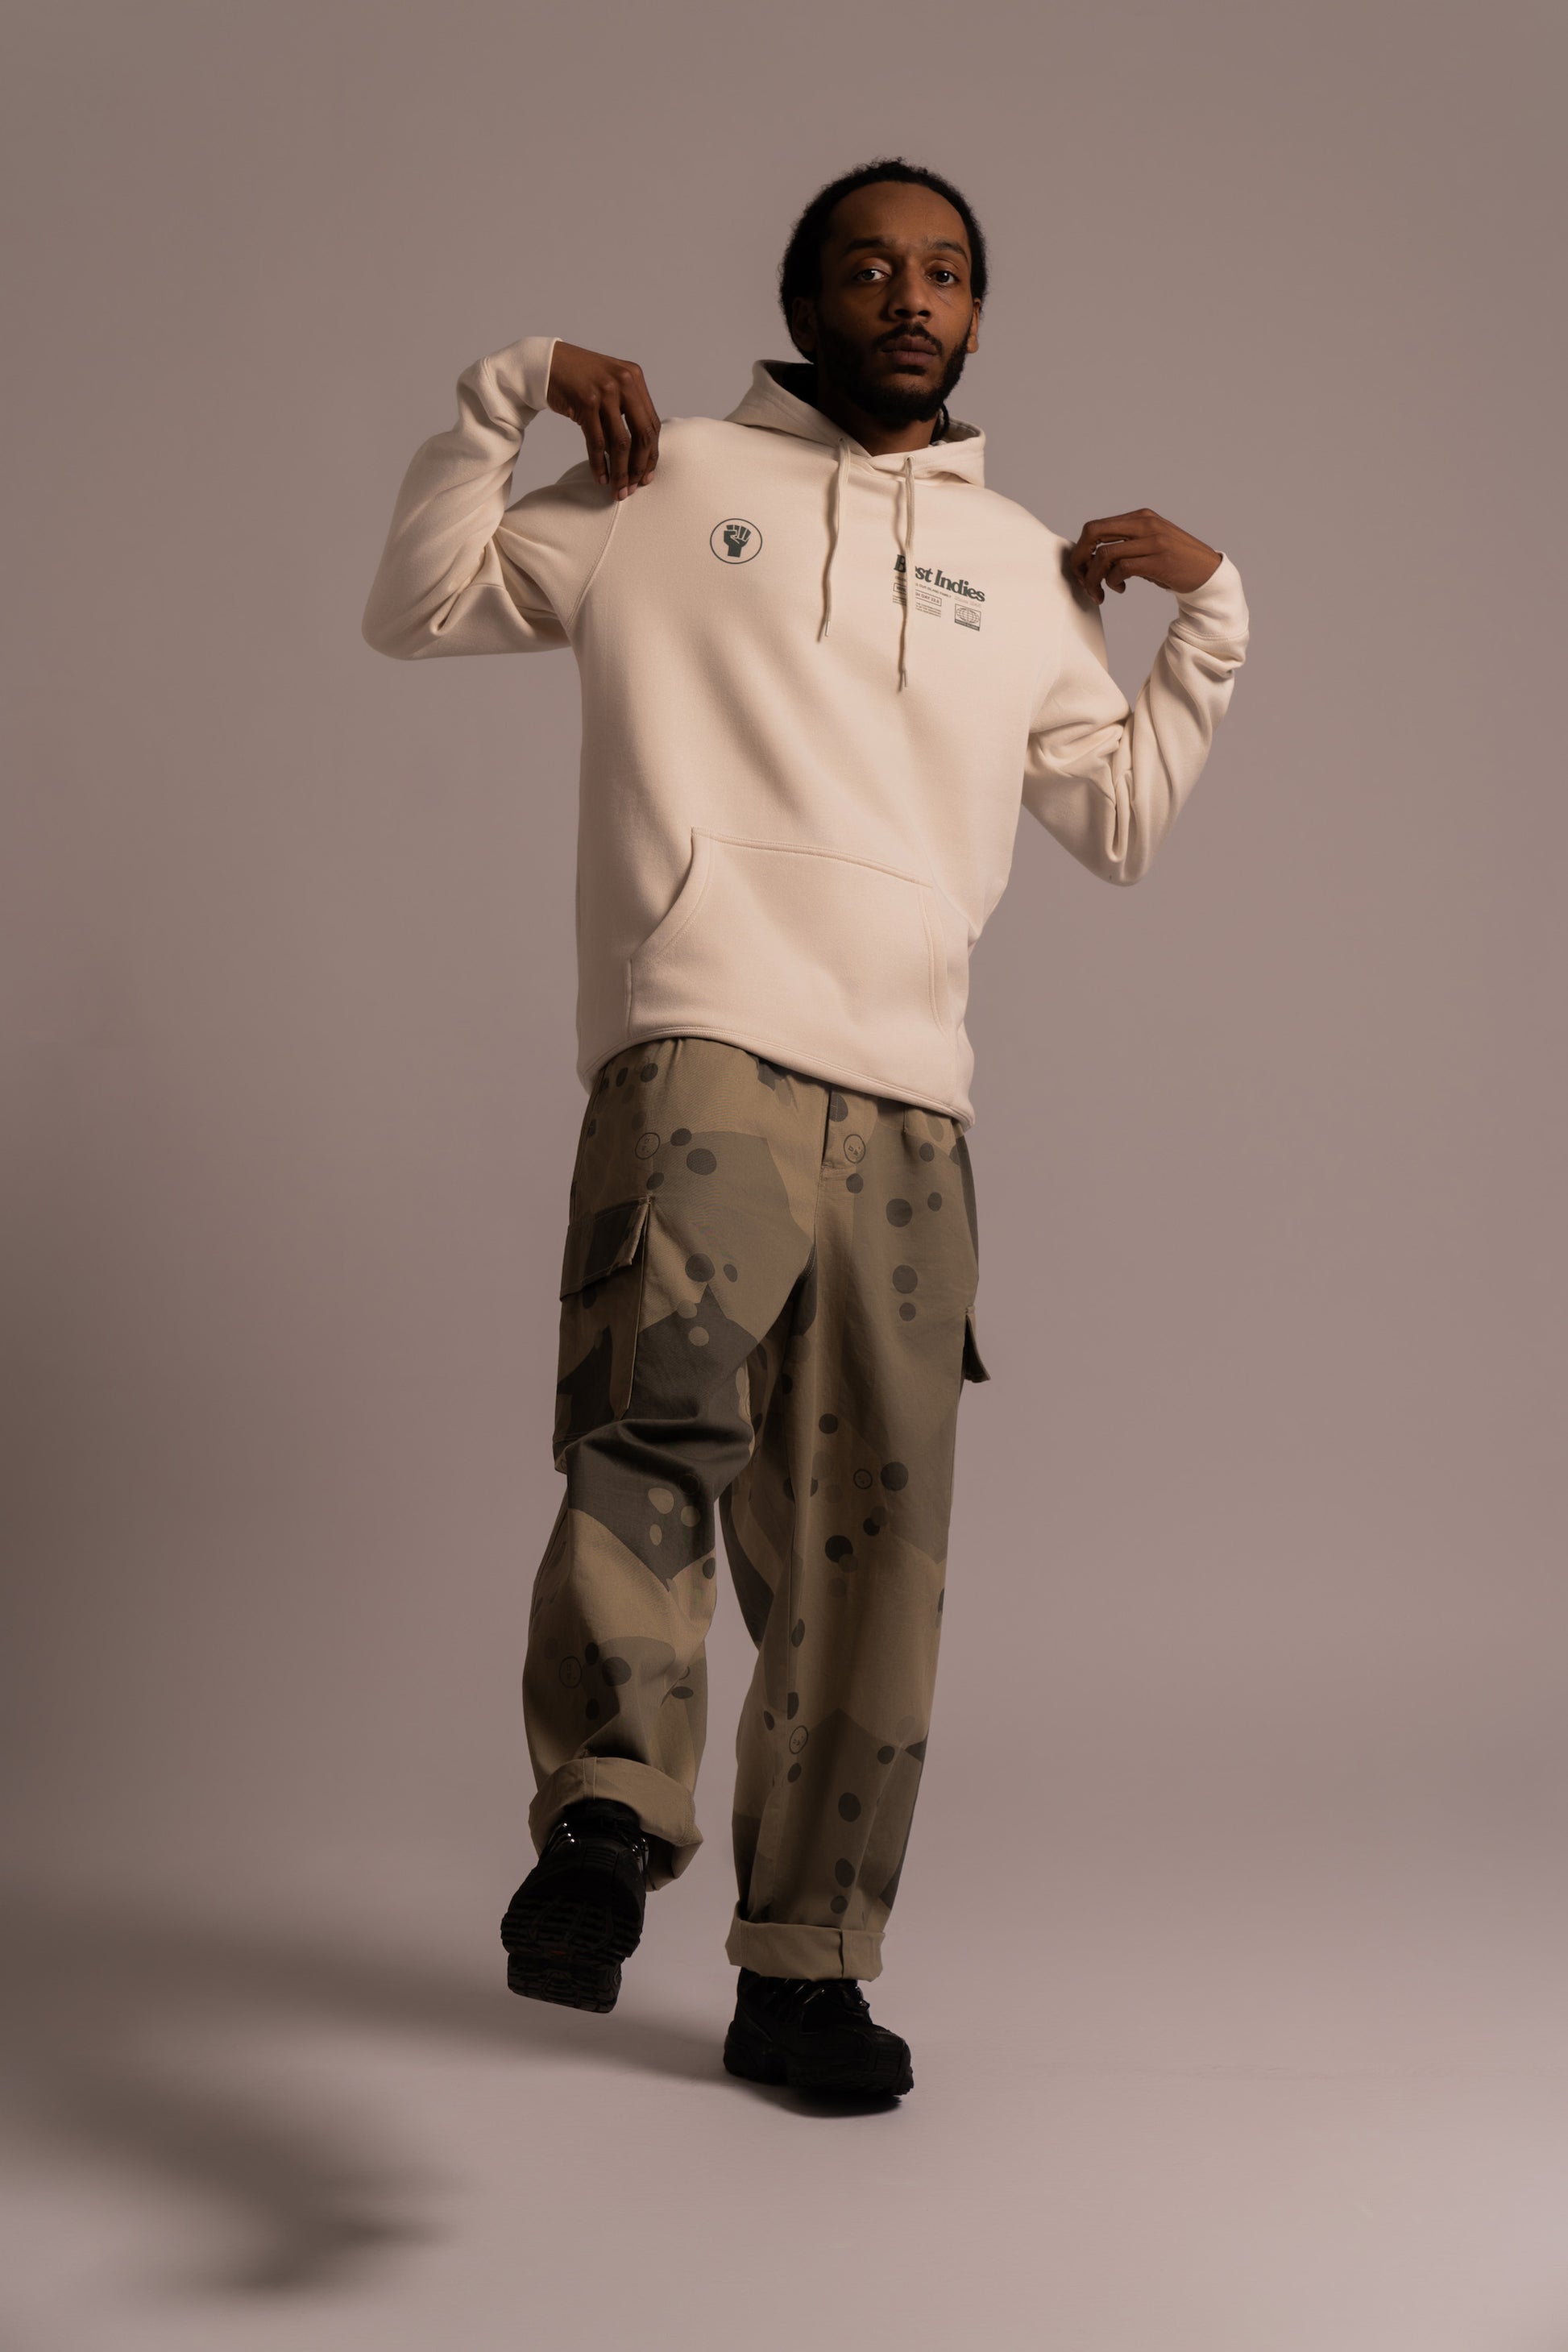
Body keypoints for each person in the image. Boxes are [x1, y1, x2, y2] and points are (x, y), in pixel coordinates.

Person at [360, 157, 1251, 2100]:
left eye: (945, 272)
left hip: (915, 1104)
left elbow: (1113, 822)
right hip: (702, 1037)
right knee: (649, 1434)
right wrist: (505, 391)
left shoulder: (1023, 565)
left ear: (977, 314)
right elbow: (416, 606)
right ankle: (607, 1819)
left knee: (875, 1547)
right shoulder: (664, 480)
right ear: (805, 301)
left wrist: (1208, 619)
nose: (910, 297)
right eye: (869, 268)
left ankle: (805, 1967)